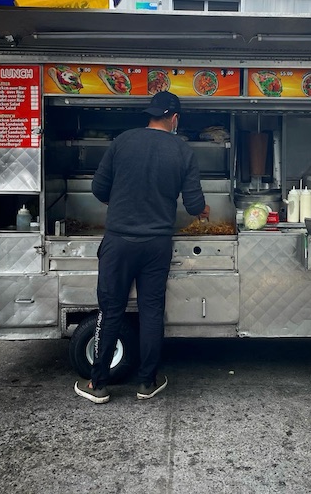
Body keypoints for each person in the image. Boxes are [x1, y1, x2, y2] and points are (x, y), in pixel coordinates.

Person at [74, 92, 209, 404]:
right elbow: (193, 205)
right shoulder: (182, 149)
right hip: (156, 244)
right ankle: (146, 382)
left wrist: (119, 203)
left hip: (119, 241)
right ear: (174, 119)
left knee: (110, 311)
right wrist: (202, 211)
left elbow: (98, 189)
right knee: (151, 312)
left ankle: (98, 385)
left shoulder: (123, 141)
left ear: (151, 115)